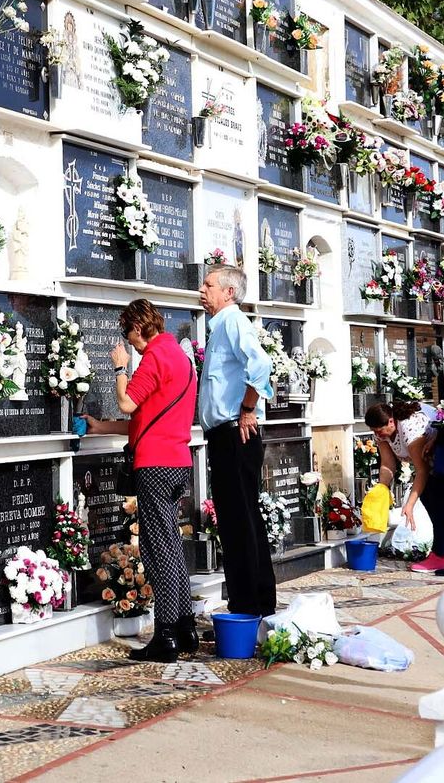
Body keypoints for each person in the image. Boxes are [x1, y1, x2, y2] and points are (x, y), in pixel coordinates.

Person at [82, 300, 197, 662]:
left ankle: (164, 636)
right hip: (177, 461)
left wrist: (120, 369)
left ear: (137, 327)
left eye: (126, 332)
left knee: (157, 550)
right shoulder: (181, 358)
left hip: (155, 466)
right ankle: (185, 626)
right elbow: (147, 417)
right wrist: (102, 427)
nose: (127, 341)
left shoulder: (154, 357)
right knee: (172, 547)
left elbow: (128, 403)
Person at [196, 266, 278, 617]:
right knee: (239, 520)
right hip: (226, 435)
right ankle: (254, 601)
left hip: (235, 433)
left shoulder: (232, 322)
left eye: (209, 285)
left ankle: (249, 605)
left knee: (239, 521)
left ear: (228, 292)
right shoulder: (220, 326)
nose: (202, 290)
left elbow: (261, 365)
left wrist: (247, 409)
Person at [364, 401, 444, 573]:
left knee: (436, 502)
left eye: (379, 430)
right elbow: (387, 464)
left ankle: (442, 553)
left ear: (391, 422)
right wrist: (381, 490)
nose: (377, 434)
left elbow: (421, 470)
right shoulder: (382, 433)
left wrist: (409, 504)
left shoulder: (409, 427)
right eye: (374, 431)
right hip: (431, 462)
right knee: (432, 502)